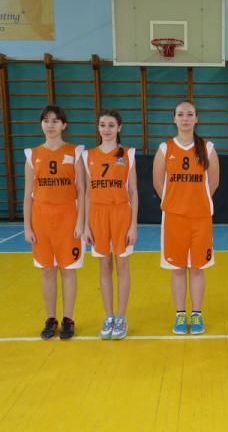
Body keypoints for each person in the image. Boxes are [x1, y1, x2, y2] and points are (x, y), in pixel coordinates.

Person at [152, 100, 219, 335]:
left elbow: (213, 182)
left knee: (198, 268)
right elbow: (158, 183)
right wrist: (175, 203)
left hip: (200, 218)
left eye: (190, 114)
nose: (185, 118)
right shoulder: (165, 148)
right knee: (178, 269)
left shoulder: (207, 148)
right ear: (174, 119)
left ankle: (197, 314)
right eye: (180, 114)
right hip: (174, 219)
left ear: (196, 118)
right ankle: (180, 314)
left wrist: (195, 201)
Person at [23, 105, 85, 339]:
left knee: (68, 270)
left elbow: (82, 190)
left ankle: (68, 318)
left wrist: (81, 222)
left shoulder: (75, 152)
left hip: (68, 218)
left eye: (55, 121)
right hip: (41, 219)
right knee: (47, 270)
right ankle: (51, 318)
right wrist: (27, 226)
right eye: (46, 121)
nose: (50, 125)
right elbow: (28, 194)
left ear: (64, 125)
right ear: (41, 124)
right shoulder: (32, 155)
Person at [83, 110, 138, 340]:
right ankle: (109, 316)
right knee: (104, 267)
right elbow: (86, 193)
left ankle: (122, 317)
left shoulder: (128, 154)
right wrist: (86, 225)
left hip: (121, 213)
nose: (106, 129)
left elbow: (133, 192)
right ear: (98, 127)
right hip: (97, 214)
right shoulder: (87, 155)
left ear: (119, 128)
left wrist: (133, 225)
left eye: (111, 125)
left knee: (122, 266)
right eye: (103, 125)